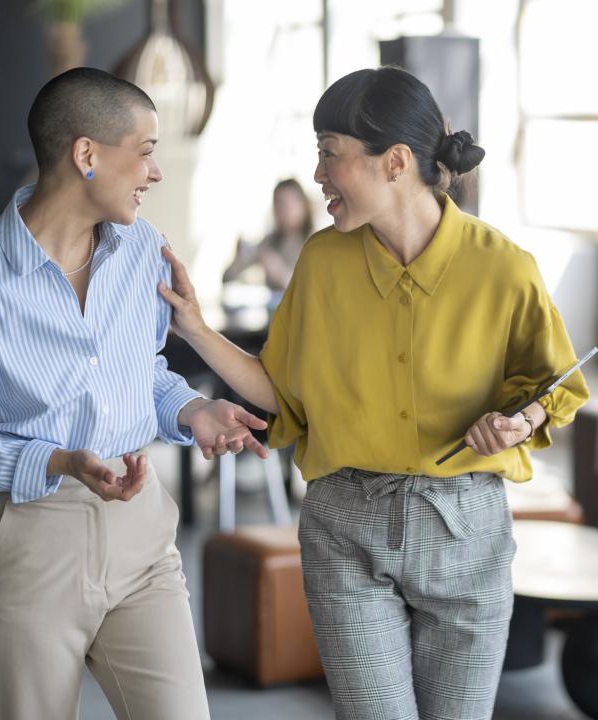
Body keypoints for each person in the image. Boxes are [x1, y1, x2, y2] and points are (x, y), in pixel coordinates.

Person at [158, 66, 589, 720]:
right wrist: (195, 329)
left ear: (394, 162)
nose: (319, 175)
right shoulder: (322, 261)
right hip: (345, 529)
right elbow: (278, 390)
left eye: (330, 153)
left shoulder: (503, 266)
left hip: (466, 531)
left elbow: (555, 385)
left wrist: (517, 419)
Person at [0, 67, 269, 720]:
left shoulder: (143, 251)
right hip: (31, 546)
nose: (156, 173)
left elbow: (144, 373)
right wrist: (59, 461)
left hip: (143, 543)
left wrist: (192, 409)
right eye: (146, 151)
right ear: (86, 155)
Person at [222, 178, 313, 309]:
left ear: (302, 205)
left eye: (286, 205)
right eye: (277, 205)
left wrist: (279, 272)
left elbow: (311, 291)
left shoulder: (314, 243)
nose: (280, 211)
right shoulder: (270, 241)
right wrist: (238, 259)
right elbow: (227, 278)